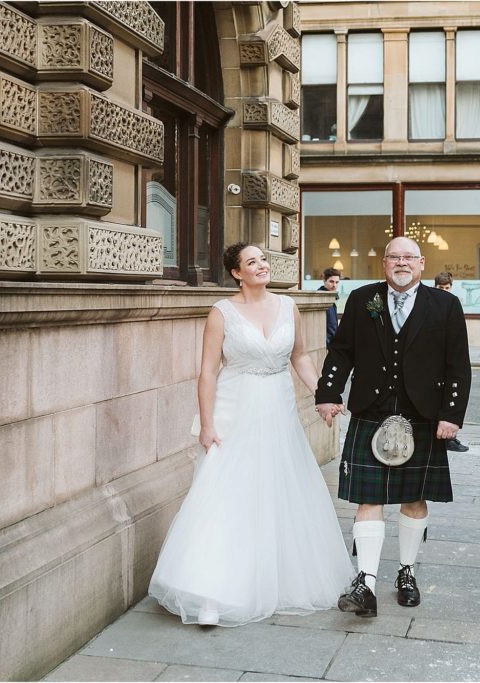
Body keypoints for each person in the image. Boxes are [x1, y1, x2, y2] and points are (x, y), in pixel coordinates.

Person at [149, 242, 354, 627]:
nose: (261, 265)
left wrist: (323, 395)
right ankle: (211, 592)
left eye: (263, 259)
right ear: (237, 273)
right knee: (225, 493)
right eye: (252, 262)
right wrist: (207, 425)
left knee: (278, 489)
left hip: (278, 410)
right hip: (234, 410)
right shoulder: (221, 313)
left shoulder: (287, 306)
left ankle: (273, 581)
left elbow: (299, 357)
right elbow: (208, 371)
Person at [316, 237, 471, 617]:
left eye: (408, 257)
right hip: (372, 408)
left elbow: (458, 364)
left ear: (421, 263)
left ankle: (407, 573)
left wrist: (451, 415)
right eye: (394, 257)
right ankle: (365, 582)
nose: (401, 263)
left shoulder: (446, 305)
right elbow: (342, 350)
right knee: (368, 498)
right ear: (384, 263)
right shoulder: (361, 298)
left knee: (414, 498)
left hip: (422, 414)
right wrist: (327, 392)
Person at [432, 271, 470, 453]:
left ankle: (450, 438)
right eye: (441, 288)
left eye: (447, 288)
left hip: (449, 361)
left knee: (451, 400)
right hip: (435, 363)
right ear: (435, 286)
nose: (445, 291)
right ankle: (445, 438)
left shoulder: (452, 303)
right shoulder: (431, 304)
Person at [318, 267, 341, 347]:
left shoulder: (330, 297)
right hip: (326, 344)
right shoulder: (321, 297)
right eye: (331, 281)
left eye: (337, 282)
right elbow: (330, 326)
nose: (334, 285)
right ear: (324, 280)